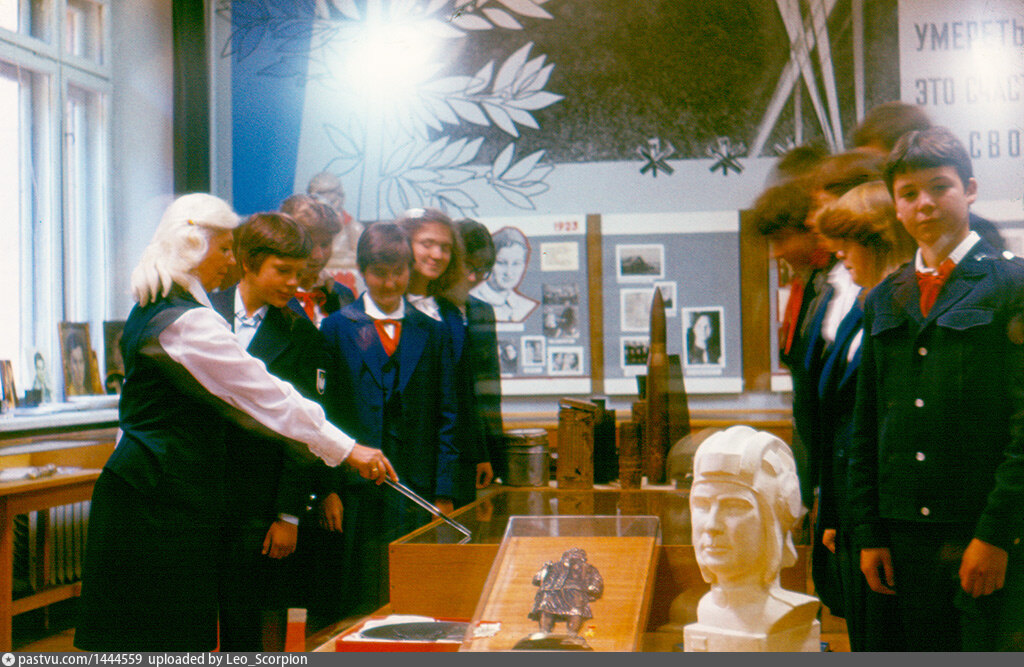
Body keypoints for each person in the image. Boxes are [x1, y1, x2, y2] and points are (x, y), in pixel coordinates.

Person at [73, 193, 395, 652]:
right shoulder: (185, 322)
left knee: (161, 641)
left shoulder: (163, 305)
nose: (231, 260)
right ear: (192, 245)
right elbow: (264, 394)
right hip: (154, 501)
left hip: (153, 492)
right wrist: (346, 449)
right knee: (156, 642)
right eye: (224, 248)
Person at [849, 127, 1024, 651]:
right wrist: (869, 533)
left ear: (969, 190)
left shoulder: (1011, 286)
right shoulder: (885, 297)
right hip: (902, 535)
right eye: (908, 193)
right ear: (896, 207)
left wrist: (995, 533)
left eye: (939, 187)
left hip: (980, 527)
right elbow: (867, 423)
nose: (924, 203)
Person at [320, 221, 458, 614]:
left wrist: (444, 492)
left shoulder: (432, 332)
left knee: (414, 597)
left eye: (399, 272)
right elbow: (325, 415)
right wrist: (329, 489)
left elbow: (448, 414)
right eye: (380, 273)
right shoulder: (337, 327)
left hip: (416, 488)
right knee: (358, 596)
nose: (390, 282)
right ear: (363, 271)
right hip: (356, 489)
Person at [208, 211, 328, 650]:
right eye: (282, 271)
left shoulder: (300, 333)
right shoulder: (201, 313)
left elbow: (302, 434)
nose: (293, 284)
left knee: (247, 621)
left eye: (299, 273)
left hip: (258, 499)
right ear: (248, 262)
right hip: (196, 490)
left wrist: (288, 514)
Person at [813, 181, 915, 651]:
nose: (840, 255)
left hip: (889, 524)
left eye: (847, 243)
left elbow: (881, 428)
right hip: (856, 517)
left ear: (878, 241)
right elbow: (841, 423)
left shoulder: (904, 310)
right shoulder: (862, 308)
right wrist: (835, 512)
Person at [687, 426, 819, 649]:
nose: (711, 525)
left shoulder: (791, 614)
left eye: (734, 506)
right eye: (702, 505)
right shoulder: (705, 607)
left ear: (773, 519)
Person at [446, 218, 505, 489]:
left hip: (483, 451)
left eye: (482, 270)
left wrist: (492, 454)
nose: (473, 278)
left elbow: (490, 388)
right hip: (447, 448)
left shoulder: (482, 311)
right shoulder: (430, 310)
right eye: (468, 267)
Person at [280, 194, 356, 325]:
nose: (318, 255)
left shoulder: (343, 296)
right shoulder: (269, 296)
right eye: (309, 244)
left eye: (325, 244)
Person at [527, 548, 604, 644]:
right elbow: (537, 579)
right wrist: (545, 569)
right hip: (551, 590)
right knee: (546, 610)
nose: (573, 556)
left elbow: (596, 579)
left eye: (577, 554)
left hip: (574, 591)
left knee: (575, 612)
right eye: (571, 554)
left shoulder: (587, 568)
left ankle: (572, 635)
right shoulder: (553, 566)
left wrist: (593, 587)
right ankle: (544, 633)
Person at [306, 171, 363, 292]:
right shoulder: (306, 228)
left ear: (340, 196)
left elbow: (362, 262)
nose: (324, 198)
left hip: (343, 285)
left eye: (328, 192)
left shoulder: (353, 228)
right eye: (319, 194)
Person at [470, 226, 539, 322]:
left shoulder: (528, 306)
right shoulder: (470, 301)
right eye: (501, 263)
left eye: (516, 263)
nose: (509, 272)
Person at [64, 331, 89, 396]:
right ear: (69, 366)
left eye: (81, 361)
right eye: (75, 362)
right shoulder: (68, 394)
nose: (79, 368)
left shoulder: (88, 393)